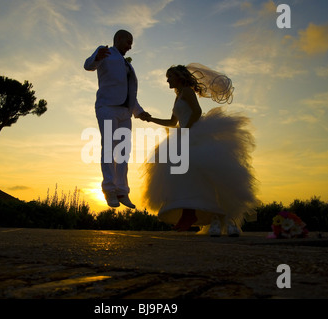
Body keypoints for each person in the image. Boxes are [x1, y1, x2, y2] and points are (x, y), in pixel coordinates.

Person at [141, 63, 259, 236]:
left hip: (193, 133)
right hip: (184, 133)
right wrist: (150, 119)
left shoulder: (187, 91)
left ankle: (194, 214)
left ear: (179, 77)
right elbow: (172, 122)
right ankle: (188, 212)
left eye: (169, 77)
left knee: (191, 172)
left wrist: (187, 131)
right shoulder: (179, 96)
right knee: (181, 174)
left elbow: (197, 112)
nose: (167, 81)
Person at [84, 30, 151, 209]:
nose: (130, 46)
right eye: (128, 42)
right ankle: (109, 189)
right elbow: (88, 65)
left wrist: (140, 112)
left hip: (124, 112)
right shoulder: (105, 52)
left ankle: (122, 190)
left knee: (123, 152)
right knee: (109, 148)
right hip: (107, 108)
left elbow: (130, 93)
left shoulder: (127, 65)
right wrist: (96, 57)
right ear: (119, 39)